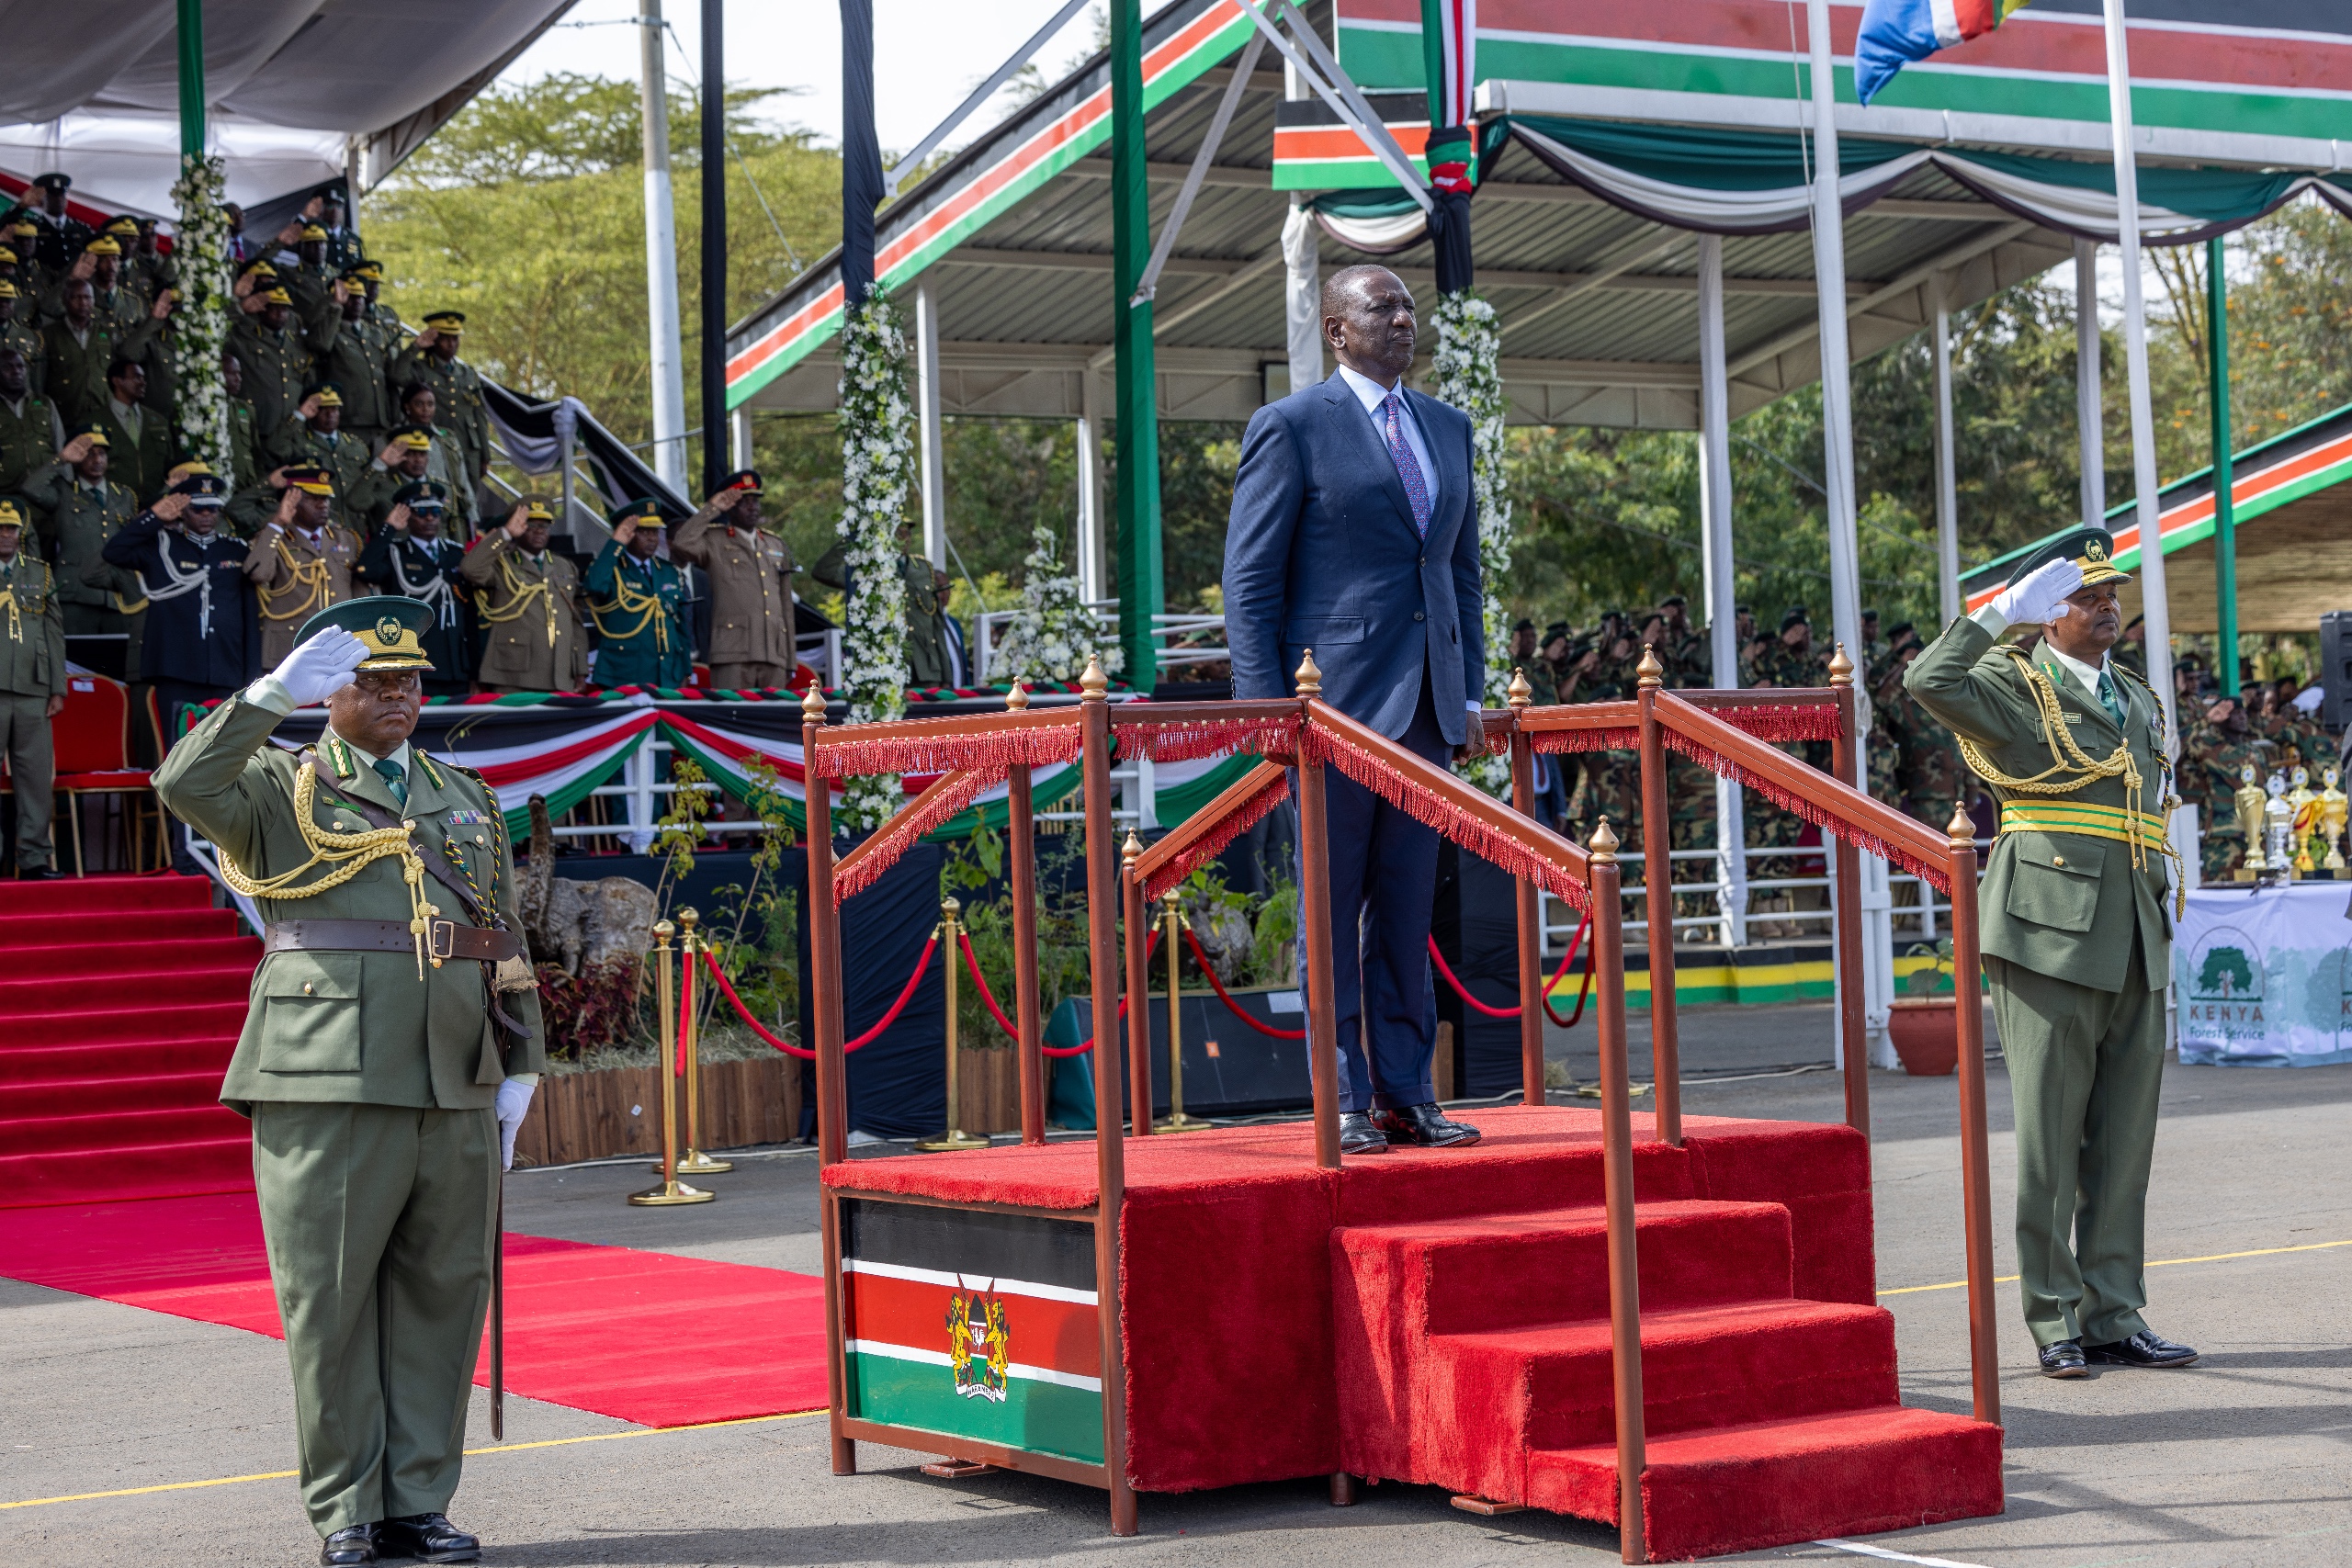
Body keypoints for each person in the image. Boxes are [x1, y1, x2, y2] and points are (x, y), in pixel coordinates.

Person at [151, 596, 543, 1568]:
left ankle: (419, 1501)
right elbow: (179, 781)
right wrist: (266, 695)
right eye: (373, 684)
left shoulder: (465, 796)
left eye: (409, 682)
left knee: (444, 1294)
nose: (397, 698)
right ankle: (347, 1512)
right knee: (329, 1302)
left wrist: (522, 1064)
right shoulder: (278, 788)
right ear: (332, 697)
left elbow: (502, 941)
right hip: (323, 1075)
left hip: (451, 1072)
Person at [1905, 527, 2196, 1380]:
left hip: (2136, 927)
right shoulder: (2008, 680)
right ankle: (2053, 1314)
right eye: (2085, 596)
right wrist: (1997, 615)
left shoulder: (2134, 696)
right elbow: (1929, 681)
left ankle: (2114, 1309)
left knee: (2122, 1138)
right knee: (2050, 1136)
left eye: (2112, 595)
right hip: (2050, 928)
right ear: (2046, 613)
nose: (2108, 606)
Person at [1223, 261, 1484, 1156]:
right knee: (1331, 913)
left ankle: (1407, 1093)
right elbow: (1249, 584)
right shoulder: (1290, 428)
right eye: (1384, 307)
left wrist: (1470, 690)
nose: (1405, 318)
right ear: (1338, 330)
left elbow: (1459, 578)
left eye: (1410, 304)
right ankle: (1341, 1096)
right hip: (1326, 715)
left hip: (1423, 712)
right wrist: (1267, 715)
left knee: (1408, 911)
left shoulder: (1448, 429)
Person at [104, 469, 262, 869]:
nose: (206, 515)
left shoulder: (235, 548)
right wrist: (154, 515)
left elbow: (247, 616)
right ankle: (181, 853)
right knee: (176, 763)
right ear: (182, 509)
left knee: (226, 763)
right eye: (197, 508)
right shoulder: (159, 543)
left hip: (226, 672)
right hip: (176, 670)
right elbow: (113, 553)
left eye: (212, 509)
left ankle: (228, 851)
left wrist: (251, 676)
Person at [671, 473, 797, 690]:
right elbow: (682, 543)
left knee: (773, 719)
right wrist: (712, 508)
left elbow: (786, 605)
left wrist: (789, 659)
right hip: (732, 652)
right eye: (744, 503)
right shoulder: (715, 539)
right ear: (729, 508)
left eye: (755, 501)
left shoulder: (775, 544)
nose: (752, 508)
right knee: (734, 718)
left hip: (774, 653)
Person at [354, 482, 473, 698]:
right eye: (421, 512)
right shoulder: (396, 552)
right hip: (417, 659)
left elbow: (470, 613)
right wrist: (388, 528)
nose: (430, 518)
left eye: (435, 512)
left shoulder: (455, 553)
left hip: (457, 665)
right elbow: (366, 570)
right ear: (407, 516)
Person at [0, 500, 66, 878]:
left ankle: (35, 857)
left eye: (11, 528)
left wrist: (58, 687)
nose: (5, 535)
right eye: (0, 528)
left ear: (20, 533)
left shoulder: (39, 574)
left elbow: (54, 633)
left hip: (33, 689)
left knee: (36, 778)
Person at [462, 498, 586, 693]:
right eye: (531, 525)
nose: (539, 531)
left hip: (561, 673)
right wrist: (506, 534)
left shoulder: (564, 566)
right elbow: (470, 569)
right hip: (515, 673)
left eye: (545, 526)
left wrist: (581, 668)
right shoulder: (502, 564)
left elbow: (575, 620)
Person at [245, 465, 362, 668]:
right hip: (290, 649)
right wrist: (277, 523)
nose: (322, 505)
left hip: (339, 649)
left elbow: (360, 593)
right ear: (292, 501)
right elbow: (259, 573)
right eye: (312, 499)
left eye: (325, 499)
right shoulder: (275, 539)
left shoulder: (346, 539)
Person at [585, 498, 692, 690]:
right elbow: (594, 585)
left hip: (667, 673)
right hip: (624, 673)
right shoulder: (612, 567)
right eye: (644, 532)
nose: (652, 538)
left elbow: (680, 625)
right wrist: (615, 544)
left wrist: (685, 669)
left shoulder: (668, 571)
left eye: (655, 532)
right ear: (628, 534)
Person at [394, 312, 492, 498]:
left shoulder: (467, 373)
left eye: (455, 338)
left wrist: (485, 455)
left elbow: (480, 414)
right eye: (445, 339)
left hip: (468, 446)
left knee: (469, 497)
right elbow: (397, 375)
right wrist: (415, 347)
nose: (451, 344)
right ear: (434, 340)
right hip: (435, 444)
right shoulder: (420, 368)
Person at [43, 275, 156, 429]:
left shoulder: (107, 333)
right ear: (64, 300)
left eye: (87, 298)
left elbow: (126, 356)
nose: (83, 303)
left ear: (94, 301)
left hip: (104, 415)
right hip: (66, 418)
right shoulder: (49, 335)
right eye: (76, 297)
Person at [313, 267, 401, 451]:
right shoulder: (332, 331)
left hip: (380, 421)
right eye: (350, 297)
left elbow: (389, 377)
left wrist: (394, 416)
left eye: (360, 297)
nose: (356, 302)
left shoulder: (376, 334)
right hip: (350, 419)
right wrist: (336, 306)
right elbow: (320, 345)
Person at [277, 385, 372, 535]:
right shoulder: (298, 441)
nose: (330, 414)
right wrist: (300, 416)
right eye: (322, 409)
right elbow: (275, 448)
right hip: (317, 524)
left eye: (334, 409)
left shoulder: (356, 445)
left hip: (355, 524)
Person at [230, 285, 320, 442]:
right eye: (274, 308)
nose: (280, 314)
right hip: (259, 425)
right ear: (262, 310)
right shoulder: (245, 338)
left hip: (293, 428)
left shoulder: (297, 343)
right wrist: (239, 308)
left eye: (285, 309)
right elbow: (216, 332)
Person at [92, 355, 173, 505]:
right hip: (113, 504)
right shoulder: (94, 421)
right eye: (136, 378)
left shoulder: (158, 420)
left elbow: (169, 463)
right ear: (117, 381)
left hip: (155, 503)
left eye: (143, 378)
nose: (143, 383)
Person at [0, 344, 59, 500]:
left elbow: (60, 445)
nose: (16, 372)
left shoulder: (44, 403)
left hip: (46, 492)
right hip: (6, 496)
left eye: (21, 366)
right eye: (8, 367)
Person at [15, 173, 92, 274]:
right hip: (41, 283)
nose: (58, 199)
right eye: (52, 195)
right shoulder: (33, 226)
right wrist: (20, 207)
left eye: (61, 194)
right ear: (41, 198)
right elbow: (4, 229)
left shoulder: (81, 229)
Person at [0, 277, 47, 399]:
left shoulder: (29, 335)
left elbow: (38, 378)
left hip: (24, 403)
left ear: (14, 303)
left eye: (8, 300)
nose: (3, 304)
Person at [938, 570, 971, 688]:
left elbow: (962, 660)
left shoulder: (954, 623)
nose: (945, 593)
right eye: (940, 589)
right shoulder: (929, 627)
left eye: (947, 588)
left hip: (961, 693)